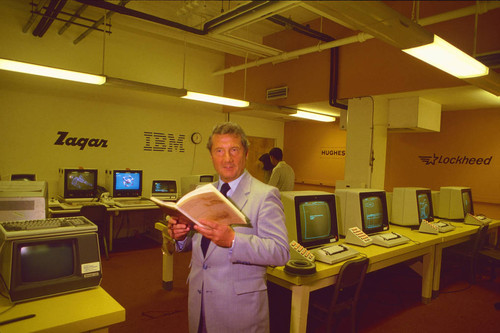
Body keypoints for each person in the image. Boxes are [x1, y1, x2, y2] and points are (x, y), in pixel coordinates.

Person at [166, 122, 290, 333]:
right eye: (219, 151)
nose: (227, 158)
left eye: (234, 150)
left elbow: (280, 251)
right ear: (212, 156)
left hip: (239, 311)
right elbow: (200, 244)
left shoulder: (265, 195)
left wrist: (233, 241)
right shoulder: (202, 192)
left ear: (246, 153)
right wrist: (180, 236)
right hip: (200, 301)